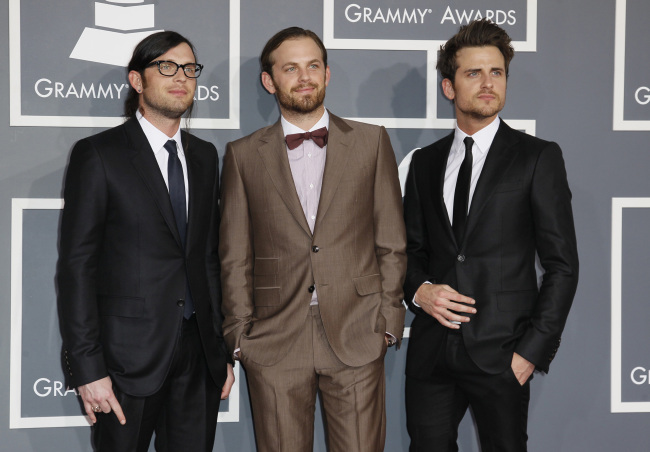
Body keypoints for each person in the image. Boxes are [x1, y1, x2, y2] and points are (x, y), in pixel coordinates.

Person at [219, 27, 407, 452]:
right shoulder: (243, 155)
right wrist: (239, 335)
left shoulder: (371, 142)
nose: (304, 77)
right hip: (273, 339)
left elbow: (391, 243)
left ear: (326, 74)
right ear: (270, 81)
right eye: (291, 68)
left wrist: (386, 323)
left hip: (358, 332)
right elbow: (234, 256)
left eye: (313, 66)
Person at [402, 19, 579, 451]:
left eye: (496, 72)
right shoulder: (423, 163)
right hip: (431, 355)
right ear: (449, 87)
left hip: (503, 354)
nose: (487, 83)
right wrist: (420, 291)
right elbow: (409, 252)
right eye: (473, 73)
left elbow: (562, 266)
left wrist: (531, 352)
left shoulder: (538, 158)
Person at [57, 31, 234, 452]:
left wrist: (219, 350)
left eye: (189, 68)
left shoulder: (205, 155)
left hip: (198, 357)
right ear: (137, 81)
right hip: (123, 362)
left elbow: (208, 258)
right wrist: (88, 368)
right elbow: (77, 268)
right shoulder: (98, 154)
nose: (181, 77)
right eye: (166, 67)